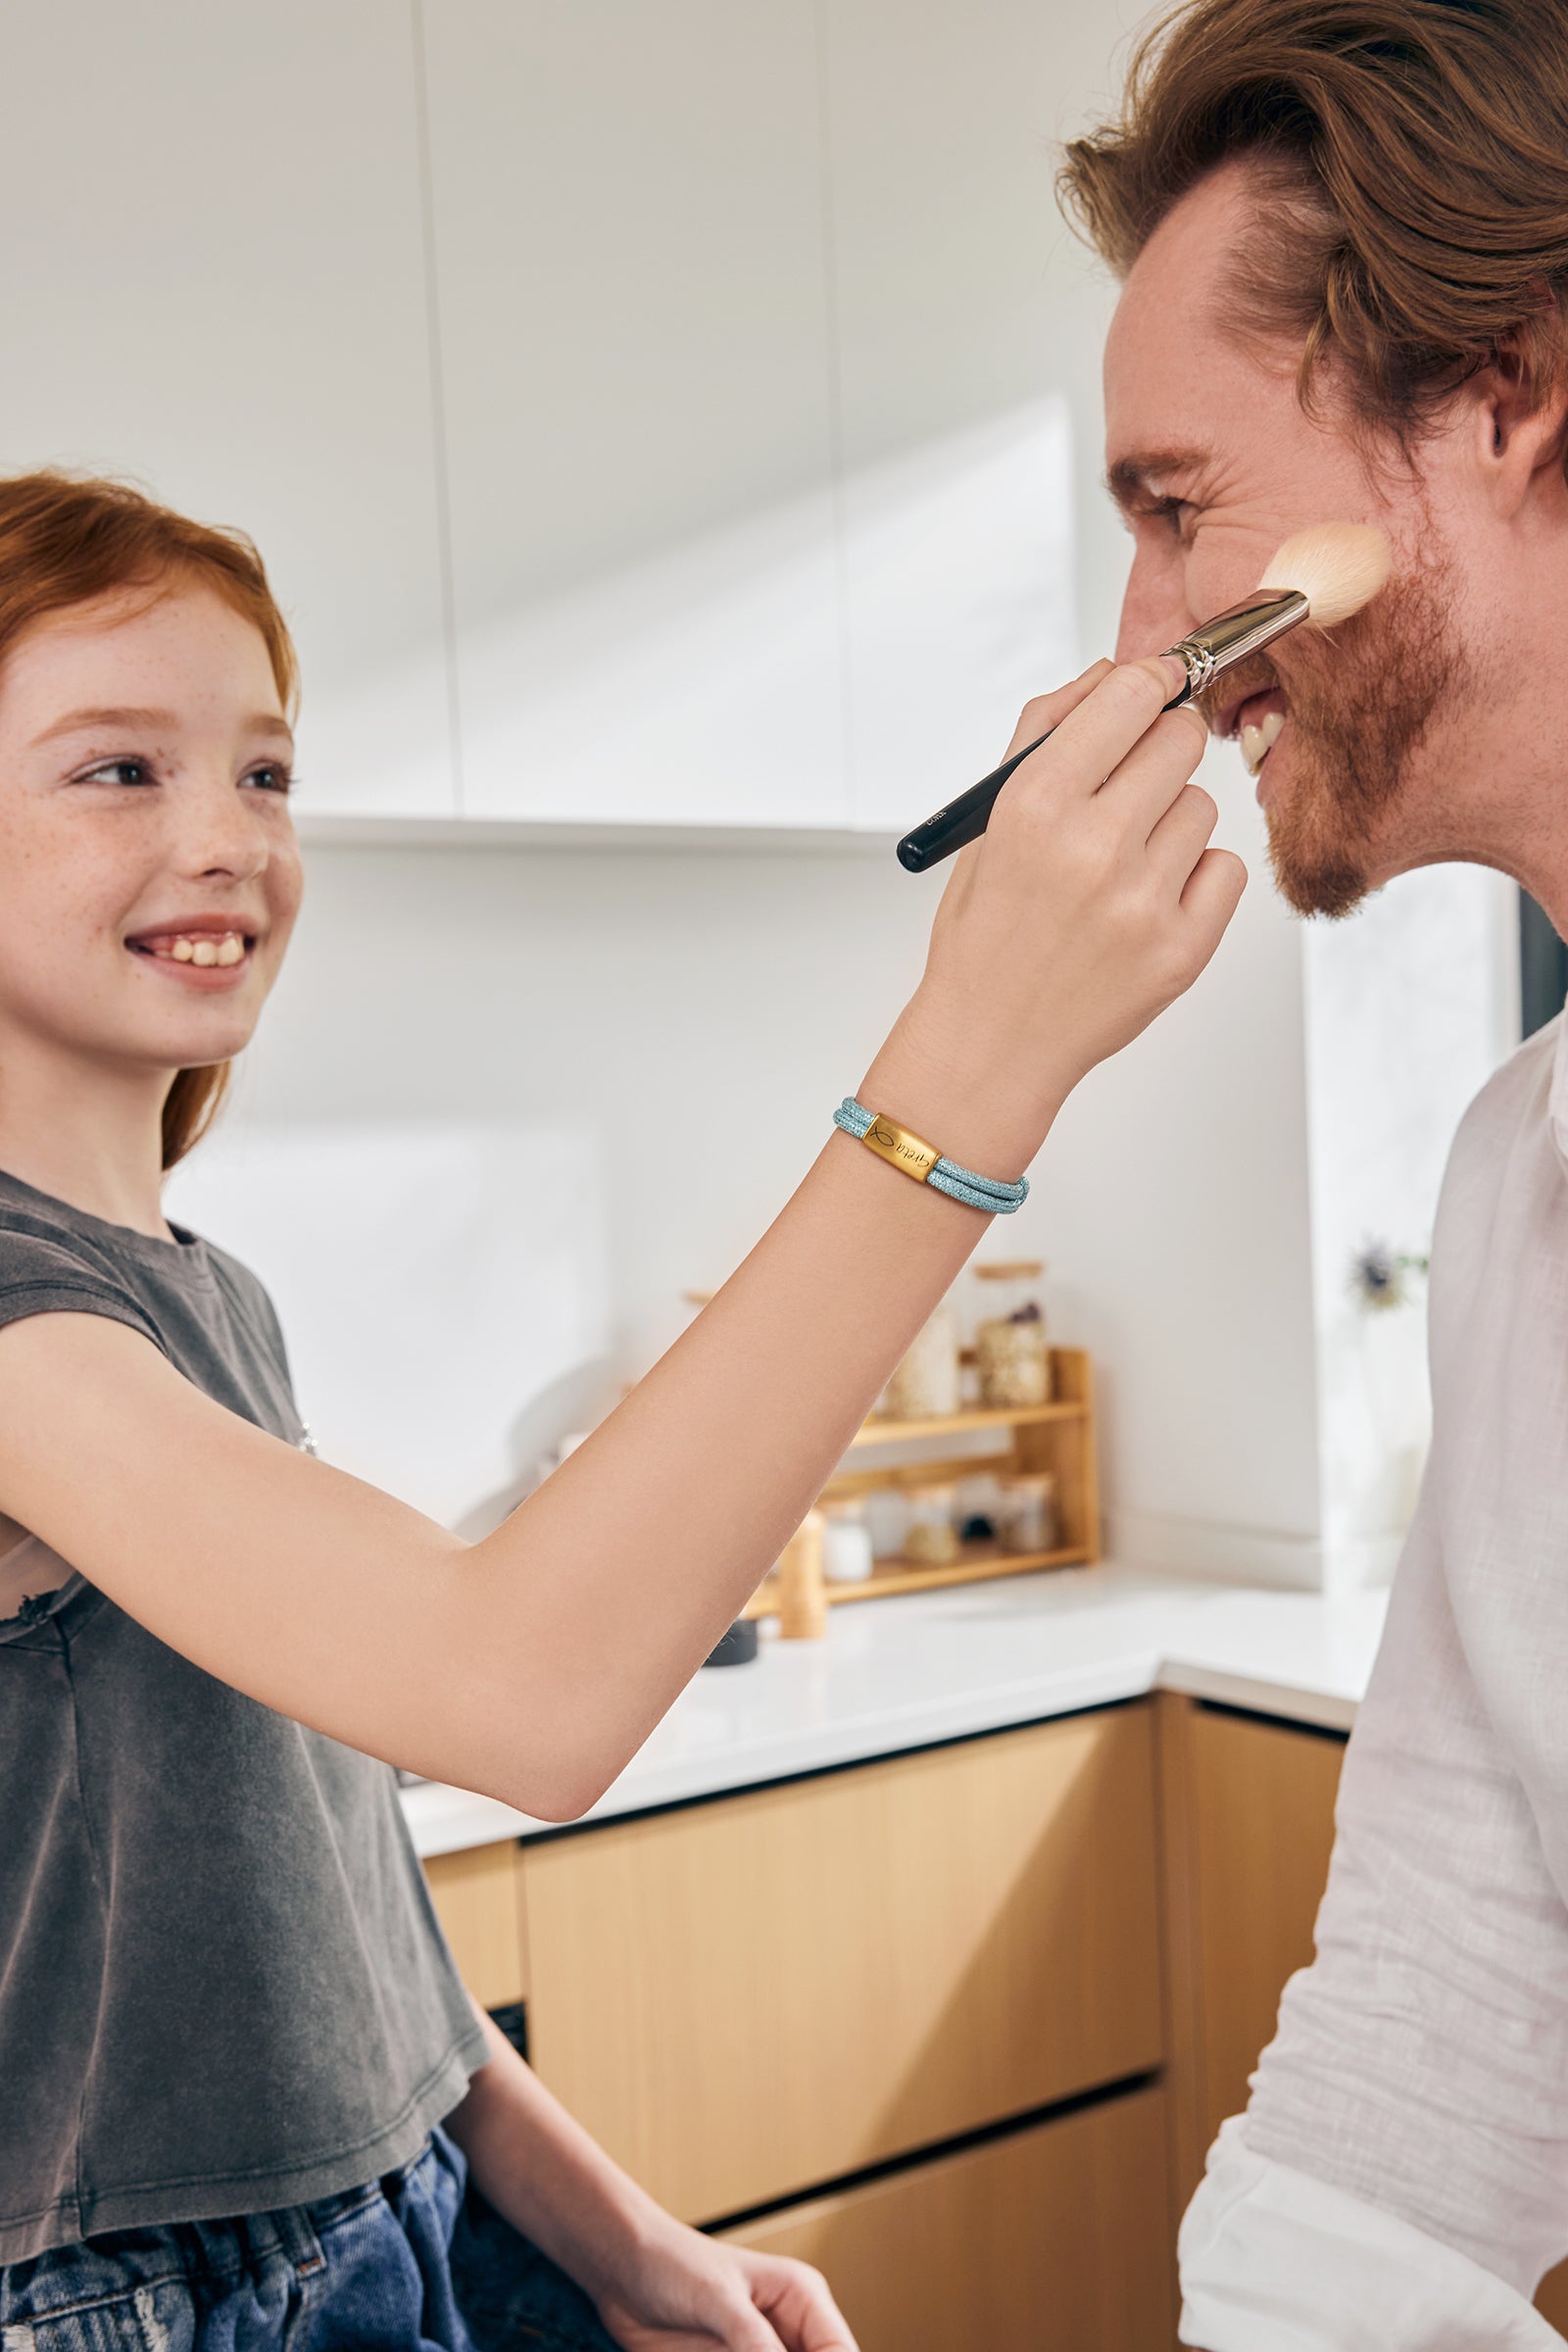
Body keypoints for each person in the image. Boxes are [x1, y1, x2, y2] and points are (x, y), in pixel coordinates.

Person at [0, 467, 1233, 2352]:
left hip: (398, 2217)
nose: (229, 837)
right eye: (118, 770)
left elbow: (342, 1900)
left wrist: (621, 2238)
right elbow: (518, 1692)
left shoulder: (201, 1296)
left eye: (264, 772)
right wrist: (984, 1051)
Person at [1057, 0, 1568, 2343]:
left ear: (1500, 393)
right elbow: (1455, 1955)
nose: (1146, 642)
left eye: (1174, 508)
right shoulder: (1516, 1179)